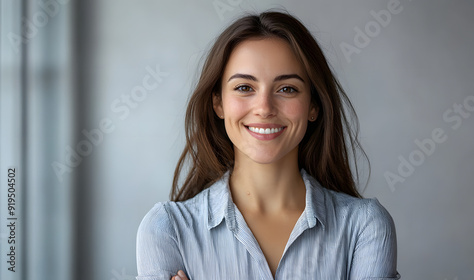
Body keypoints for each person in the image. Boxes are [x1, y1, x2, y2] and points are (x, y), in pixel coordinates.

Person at [136, 11, 400, 280]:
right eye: (244, 87)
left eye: (287, 89)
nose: (264, 108)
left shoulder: (366, 227)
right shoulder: (166, 229)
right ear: (218, 103)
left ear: (314, 105)